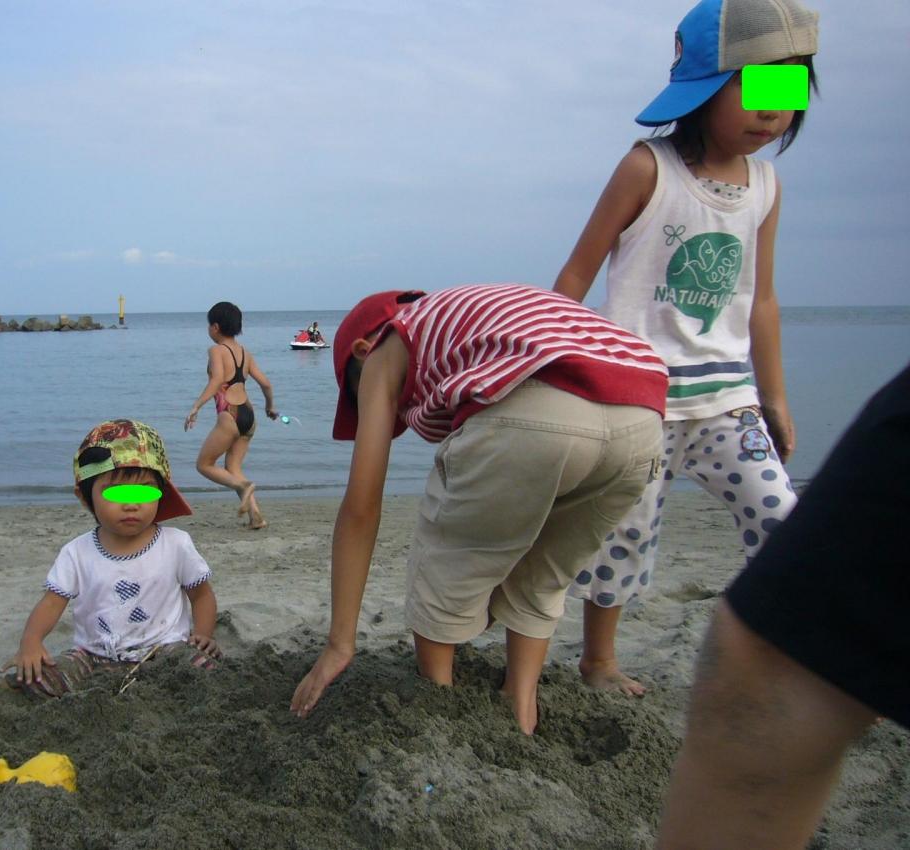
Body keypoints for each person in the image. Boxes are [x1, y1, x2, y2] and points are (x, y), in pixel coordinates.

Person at [553, 0, 819, 695]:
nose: (772, 112)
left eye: (789, 90)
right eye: (755, 88)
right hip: (642, 401)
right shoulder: (648, 168)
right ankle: (598, 661)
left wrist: (775, 397)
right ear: (705, 87)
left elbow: (761, 299)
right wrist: (554, 367)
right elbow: (578, 273)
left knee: (782, 516)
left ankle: (801, 654)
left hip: (729, 400)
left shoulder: (766, 185)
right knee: (627, 530)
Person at [289, 284, 668, 734]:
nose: (393, 413)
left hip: (537, 406)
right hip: (642, 415)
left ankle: (439, 708)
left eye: (358, 395)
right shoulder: (477, 318)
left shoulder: (387, 344)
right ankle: (521, 708)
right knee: (542, 576)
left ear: (362, 349)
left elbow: (362, 506)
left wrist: (339, 644)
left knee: (445, 566)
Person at [655, 361, 909, 849]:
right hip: (660, 396)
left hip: (727, 399)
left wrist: (773, 397)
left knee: (778, 650)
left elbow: (761, 310)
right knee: (775, 655)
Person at [2, 419, 221, 698]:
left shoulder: (176, 544)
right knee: (40, 678)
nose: (131, 504)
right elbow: (51, 603)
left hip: (164, 650)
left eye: (144, 491)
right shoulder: (77, 552)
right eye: (115, 493)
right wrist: (31, 642)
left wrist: (203, 634)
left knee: (203, 669)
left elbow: (201, 595)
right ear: (85, 498)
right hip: (92, 656)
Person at [184, 301, 278, 530]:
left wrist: (196, 406)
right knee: (233, 468)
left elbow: (217, 380)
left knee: (204, 465)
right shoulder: (245, 352)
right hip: (249, 415)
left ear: (215, 327)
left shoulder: (216, 350)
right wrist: (270, 408)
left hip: (230, 414)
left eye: (209, 325)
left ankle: (243, 486)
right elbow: (266, 384)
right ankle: (256, 518)